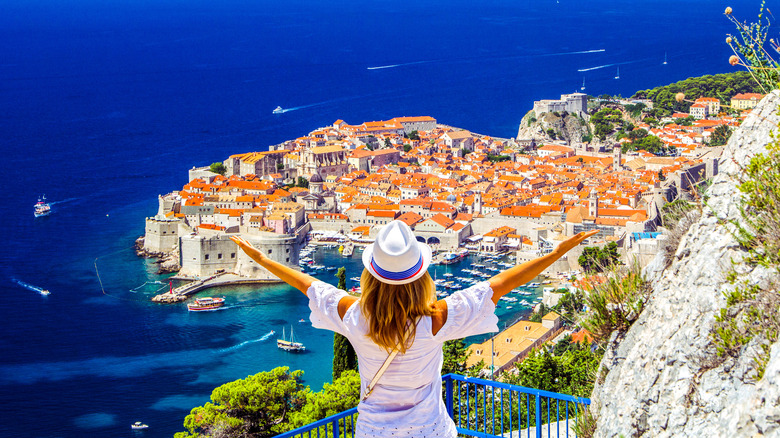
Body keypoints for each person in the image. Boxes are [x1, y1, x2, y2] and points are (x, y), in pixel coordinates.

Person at [231, 221, 597, 437]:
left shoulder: (354, 316)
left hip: (373, 432)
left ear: (370, 275)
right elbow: (500, 283)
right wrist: (554, 254)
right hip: (429, 430)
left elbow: (307, 284)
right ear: (420, 275)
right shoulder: (437, 319)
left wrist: (262, 259)